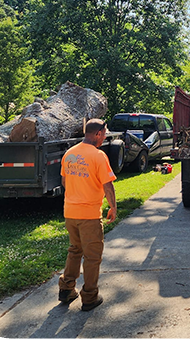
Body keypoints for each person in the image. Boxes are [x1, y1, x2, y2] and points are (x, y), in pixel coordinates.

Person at [58, 118, 117, 311]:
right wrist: (113, 207)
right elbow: (108, 185)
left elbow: (64, 182)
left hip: (70, 213)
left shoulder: (69, 153)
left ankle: (66, 289)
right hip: (89, 215)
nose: (105, 137)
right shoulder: (98, 156)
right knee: (92, 257)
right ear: (98, 133)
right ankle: (90, 297)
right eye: (104, 134)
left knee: (75, 250)